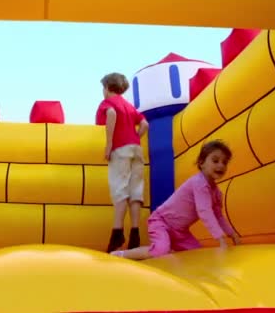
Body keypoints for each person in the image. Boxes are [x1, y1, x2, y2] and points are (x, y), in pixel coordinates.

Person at [111, 139, 241, 260]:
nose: (221, 165)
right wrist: (220, 238)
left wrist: (232, 233)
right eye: (215, 160)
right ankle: (121, 254)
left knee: (197, 253)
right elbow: (204, 211)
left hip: (180, 231)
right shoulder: (199, 183)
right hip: (161, 222)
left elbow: (218, 216)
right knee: (160, 251)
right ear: (201, 163)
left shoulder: (216, 192)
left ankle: (170, 251)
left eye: (225, 162)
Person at [95, 72, 149, 253]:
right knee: (136, 192)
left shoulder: (109, 103)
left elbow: (111, 114)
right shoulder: (128, 105)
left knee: (120, 189)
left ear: (108, 88)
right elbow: (145, 125)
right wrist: (135, 137)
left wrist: (109, 143)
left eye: (103, 88)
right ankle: (135, 232)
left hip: (121, 150)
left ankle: (117, 232)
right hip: (136, 150)